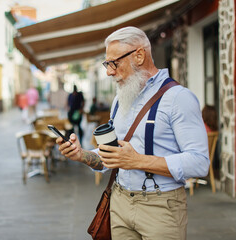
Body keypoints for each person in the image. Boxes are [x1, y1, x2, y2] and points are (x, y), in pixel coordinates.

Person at [56, 26, 209, 240]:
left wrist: (137, 160)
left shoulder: (179, 98)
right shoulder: (120, 99)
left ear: (139, 55)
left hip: (160, 208)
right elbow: (112, 157)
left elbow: (200, 163)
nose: (109, 71)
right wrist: (81, 155)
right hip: (119, 203)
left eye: (113, 63)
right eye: (106, 64)